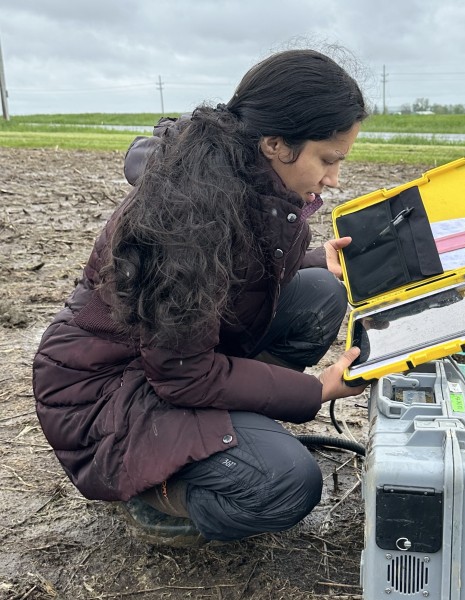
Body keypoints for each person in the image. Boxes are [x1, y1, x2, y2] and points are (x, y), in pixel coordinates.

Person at [32, 48, 369, 544]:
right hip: (104, 391)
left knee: (320, 293)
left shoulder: (241, 175)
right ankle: (157, 494)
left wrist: (315, 257)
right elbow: (182, 375)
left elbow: (237, 271)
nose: (334, 178)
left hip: (167, 364)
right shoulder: (189, 218)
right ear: (276, 144)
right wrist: (314, 390)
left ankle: (236, 428)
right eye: (328, 159)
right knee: (284, 485)